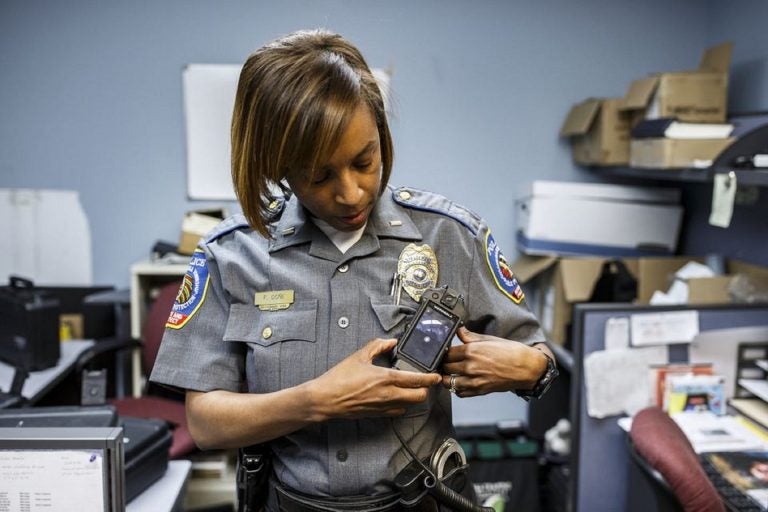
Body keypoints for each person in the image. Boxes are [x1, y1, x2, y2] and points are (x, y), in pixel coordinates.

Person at [150, 29, 556, 511]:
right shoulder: (231, 255)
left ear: (382, 136)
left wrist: (530, 368)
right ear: (278, 167)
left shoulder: (451, 236)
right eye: (319, 176)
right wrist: (315, 401)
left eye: (365, 161)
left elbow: (539, 358)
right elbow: (205, 424)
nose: (351, 193)